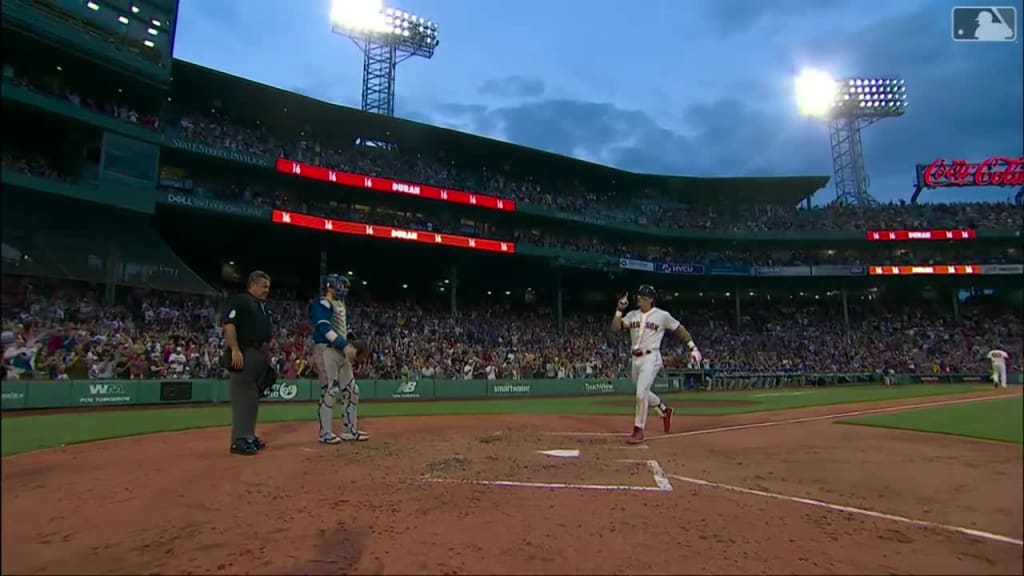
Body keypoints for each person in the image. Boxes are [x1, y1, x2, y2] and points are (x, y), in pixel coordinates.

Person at [611, 284, 703, 444]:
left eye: (643, 296)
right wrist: (619, 310)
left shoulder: (662, 315)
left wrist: (693, 348)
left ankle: (638, 430)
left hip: (651, 357)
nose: (639, 298)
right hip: (635, 359)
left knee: (641, 393)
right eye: (639, 296)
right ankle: (664, 410)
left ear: (651, 299)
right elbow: (615, 328)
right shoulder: (632, 315)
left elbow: (679, 329)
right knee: (643, 391)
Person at [310, 274, 370, 443]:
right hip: (326, 349)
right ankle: (325, 433)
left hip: (341, 350)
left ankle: (349, 430)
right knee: (330, 390)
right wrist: (344, 345)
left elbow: (342, 328)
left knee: (352, 390)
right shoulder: (322, 303)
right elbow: (324, 328)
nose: (343, 289)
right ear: (330, 286)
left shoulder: (340, 304)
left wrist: (352, 341)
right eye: (340, 286)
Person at [222, 270, 274, 456]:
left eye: (268, 287)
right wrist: (234, 349)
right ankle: (239, 440)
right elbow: (229, 324)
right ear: (252, 284)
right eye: (263, 286)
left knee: (251, 398)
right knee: (243, 397)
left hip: (258, 354)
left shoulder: (261, 305)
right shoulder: (241, 300)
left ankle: (248, 436)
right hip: (244, 351)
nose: (267, 290)